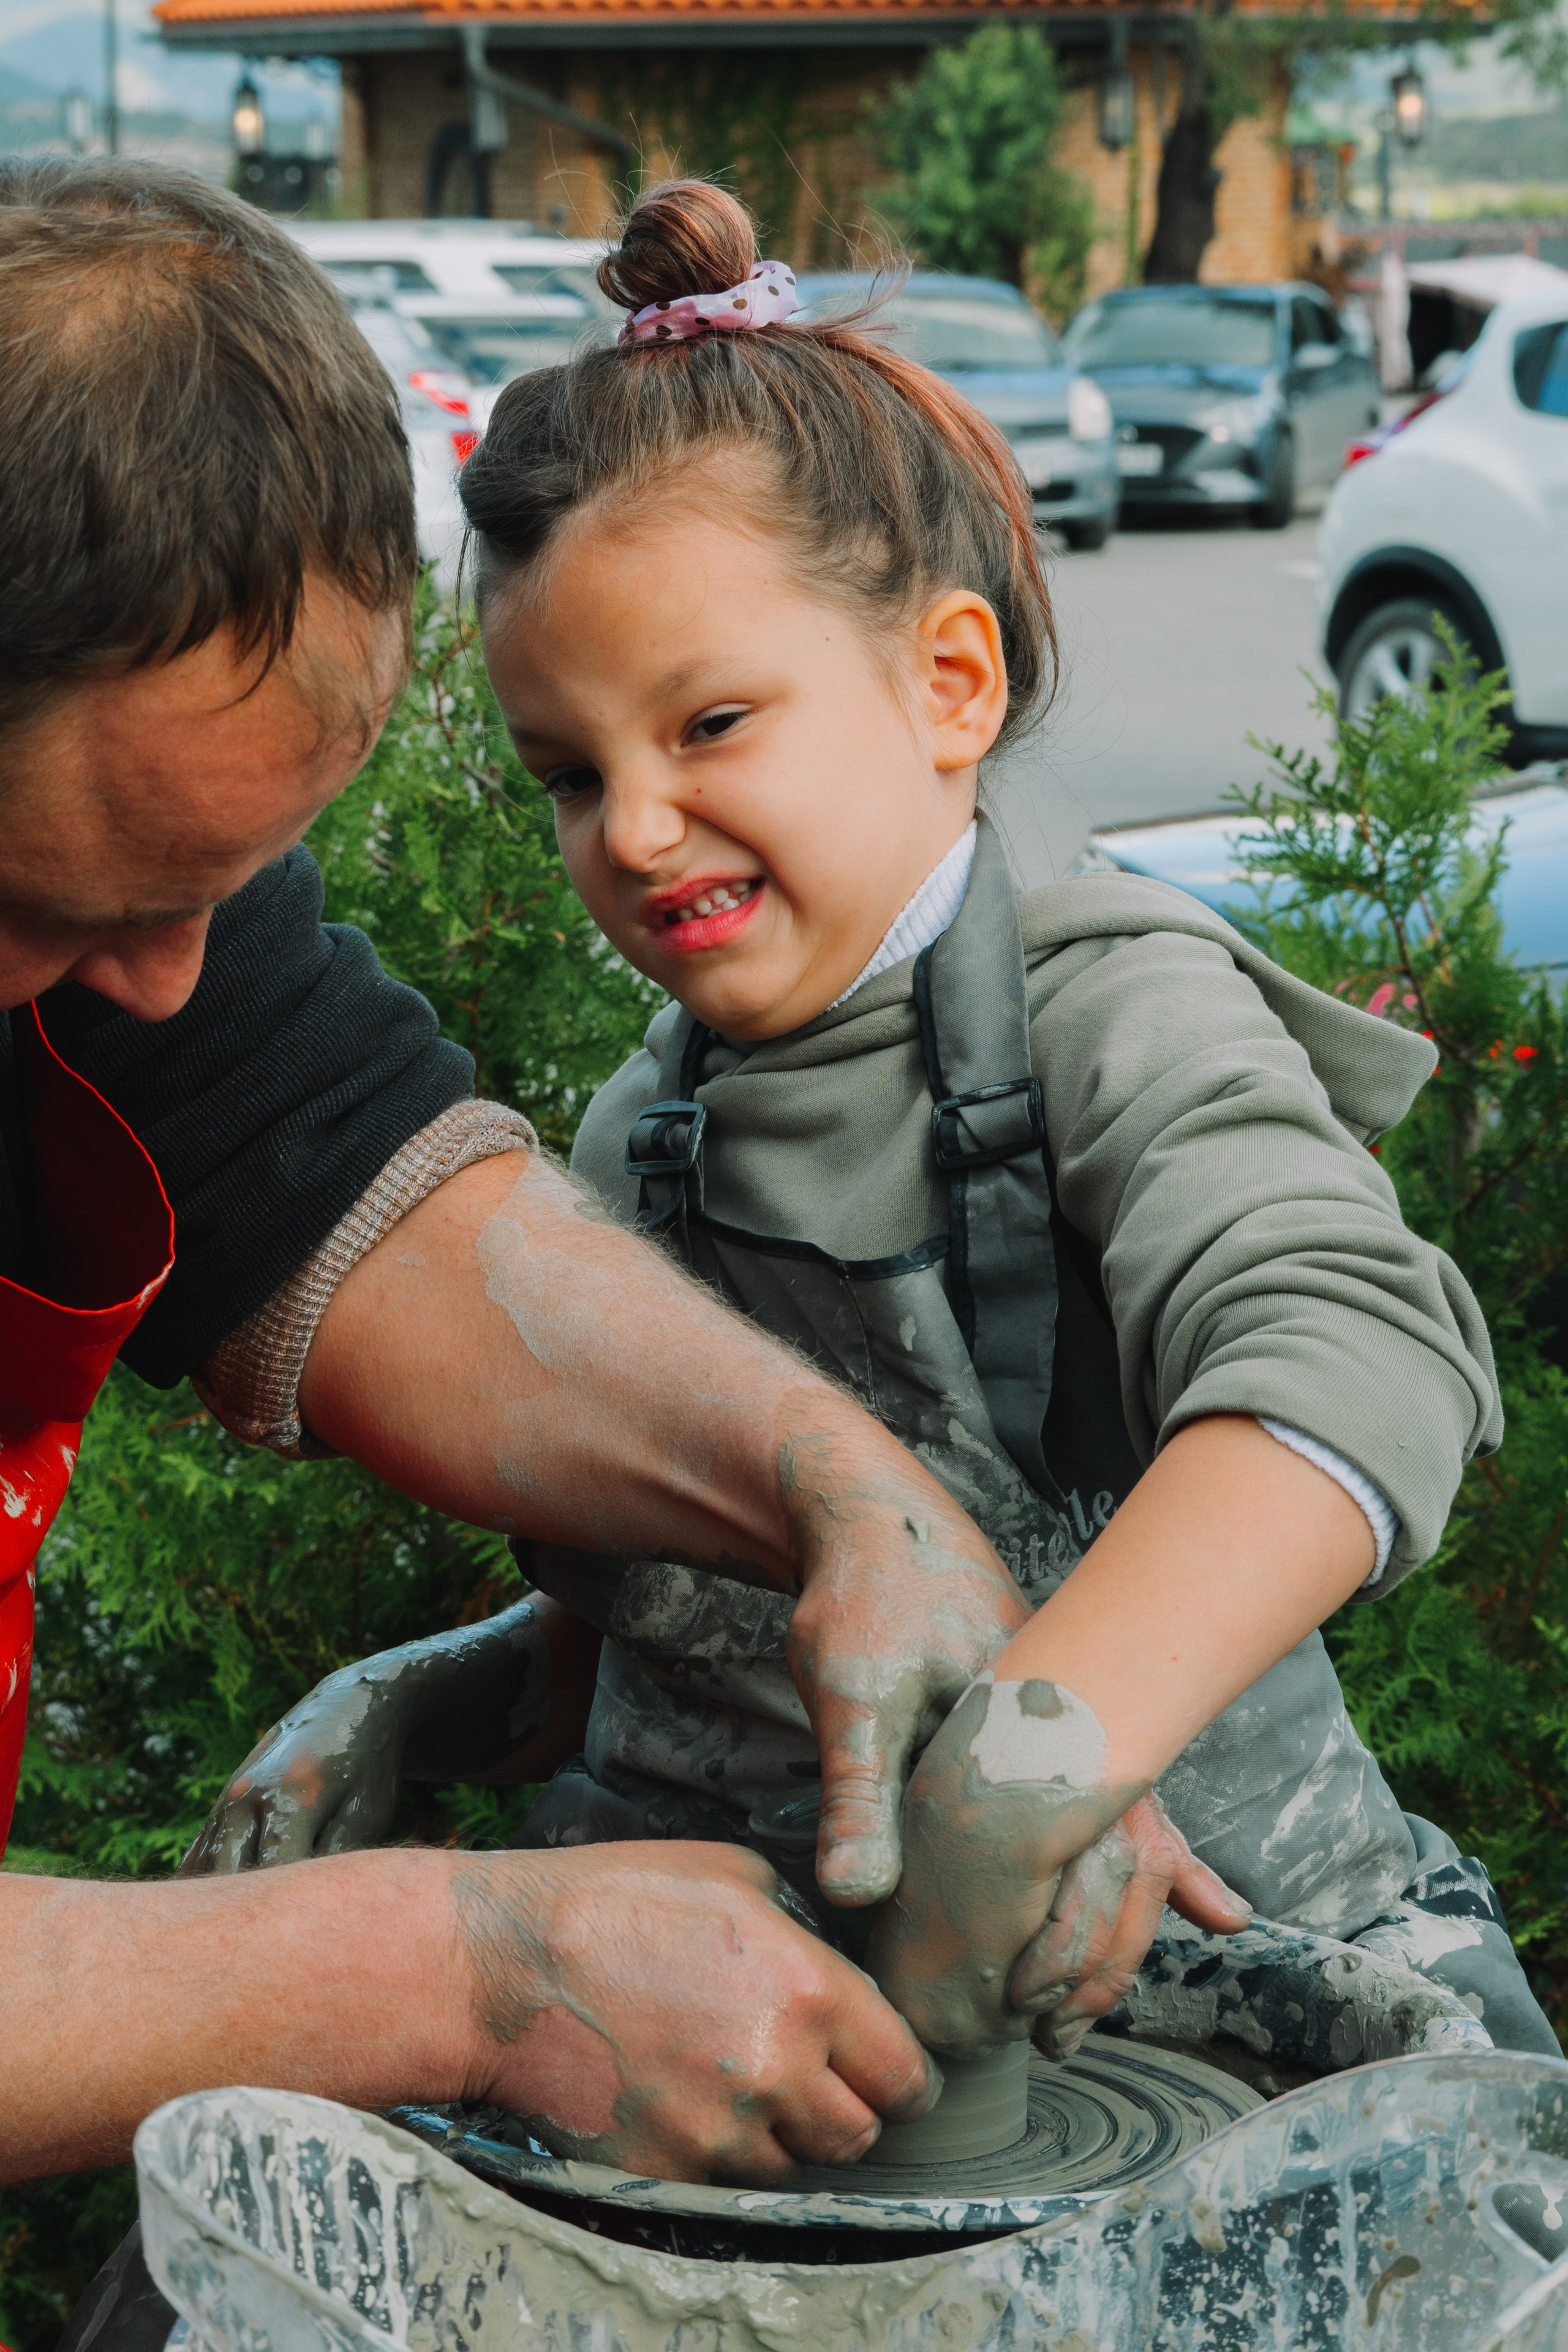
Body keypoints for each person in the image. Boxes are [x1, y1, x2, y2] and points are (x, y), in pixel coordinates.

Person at [214, 178, 1556, 2069]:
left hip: (1201, 2002)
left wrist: (1031, 1759)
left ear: (948, 683)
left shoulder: (1112, 1010)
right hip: (757, 2021)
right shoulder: (638, 1132)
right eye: (570, 774)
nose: (637, 829)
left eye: (708, 727)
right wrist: (441, 1697)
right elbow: (689, 1638)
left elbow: (1358, 1352)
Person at [0, 152, 1088, 2258]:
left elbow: (359, 1195)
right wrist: (469, 1970)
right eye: (71, 909)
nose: (157, 987)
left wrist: (860, 1504)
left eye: (212, 899)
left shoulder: (120, 885)